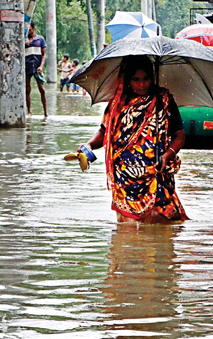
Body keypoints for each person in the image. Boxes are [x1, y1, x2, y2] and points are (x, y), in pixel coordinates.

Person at [79, 55, 188, 223]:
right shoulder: (117, 105)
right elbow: (104, 133)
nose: (142, 84)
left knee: (160, 228)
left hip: (157, 173)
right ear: (127, 80)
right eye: (136, 79)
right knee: (126, 232)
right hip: (124, 178)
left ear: (152, 78)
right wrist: (89, 145)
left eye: (146, 79)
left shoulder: (164, 101)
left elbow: (179, 136)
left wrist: (167, 156)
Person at [25, 21, 48, 117]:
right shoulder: (23, 40)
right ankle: (29, 111)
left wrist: (41, 66)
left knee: (42, 89)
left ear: (33, 28)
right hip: (27, 67)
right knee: (27, 90)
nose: (29, 31)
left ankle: (45, 112)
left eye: (30, 30)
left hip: (37, 67)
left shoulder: (40, 39)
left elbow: (44, 55)